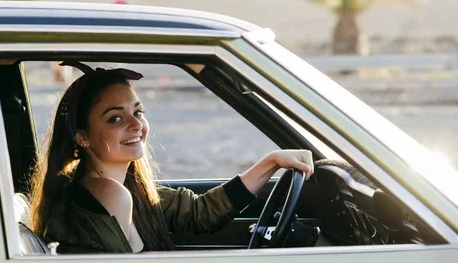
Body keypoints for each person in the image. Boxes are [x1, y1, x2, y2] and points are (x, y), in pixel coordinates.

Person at [29, 62, 313, 253]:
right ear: (83, 137)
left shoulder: (113, 187)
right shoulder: (109, 193)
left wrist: (272, 161)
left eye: (138, 112)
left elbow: (201, 213)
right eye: (115, 118)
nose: (136, 124)